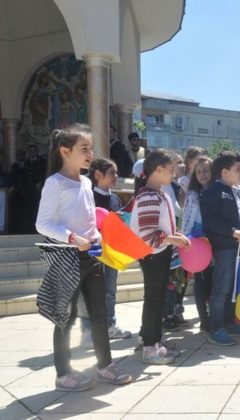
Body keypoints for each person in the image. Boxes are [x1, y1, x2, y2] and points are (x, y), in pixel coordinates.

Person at [35, 124, 131, 391]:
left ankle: (105, 365)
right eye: (84, 149)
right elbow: (42, 224)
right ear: (65, 152)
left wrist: (96, 238)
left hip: (91, 256)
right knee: (66, 317)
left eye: (91, 149)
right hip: (66, 258)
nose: (90, 154)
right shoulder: (55, 183)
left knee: (99, 314)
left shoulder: (87, 182)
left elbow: (89, 220)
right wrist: (72, 238)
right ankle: (63, 374)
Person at [129, 149, 191, 364]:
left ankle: (154, 340)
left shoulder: (159, 194)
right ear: (158, 169)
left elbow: (161, 227)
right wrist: (174, 240)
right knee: (153, 299)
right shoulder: (148, 196)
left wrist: (176, 236)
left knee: (158, 299)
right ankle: (149, 347)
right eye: (170, 169)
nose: (173, 173)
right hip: (152, 255)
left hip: (160, 253)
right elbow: (148, 235)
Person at [200, 151, 240, 346]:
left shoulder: (235, 191)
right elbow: (210, 221)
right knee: (221, 289)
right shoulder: (212, 192)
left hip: (239, 247)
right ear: (224, 172)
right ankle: (216, 329)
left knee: (233, 288)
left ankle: (229, 322)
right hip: (225, 247)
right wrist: (231, 231)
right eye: (238, 169)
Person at [82, 158, 132, 341]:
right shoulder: (88, 197)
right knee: (91, 291)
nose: (115, 176)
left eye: (116, 172)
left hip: (112, 251)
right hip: (93, 252)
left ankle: (110, 325)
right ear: (98, 175)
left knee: (110, 290)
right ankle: (89, 330)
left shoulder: (115, 199)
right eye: (112, 173)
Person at [181, 156, 214, 333]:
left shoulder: (219, 189)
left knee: (215, 280)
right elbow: (187, 217)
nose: (202, 175)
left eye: (206, 171)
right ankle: (204, 319)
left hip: (216, 238)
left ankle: (216, 315)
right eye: (199, 172)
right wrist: (185, 240)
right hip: (199, 241)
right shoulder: (193, 194)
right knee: (201, 282)